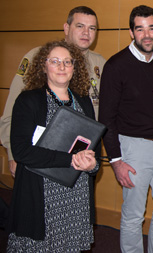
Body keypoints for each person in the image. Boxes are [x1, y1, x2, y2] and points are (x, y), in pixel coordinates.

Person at [98, 5, 153, 253]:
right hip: (132, 148)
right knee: (134, 214)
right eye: (140, 29)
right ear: (132, 32)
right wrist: (116, 160)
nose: (146, 35)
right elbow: (106, 118)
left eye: (151, 28)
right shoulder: (116, 65)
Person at [7, 40, 99, 252]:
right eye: (55, 61)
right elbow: (21, 151)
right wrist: (70, 159)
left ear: (75, 68)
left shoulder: (84, 102)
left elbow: (93, 148)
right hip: (40, 195)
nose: (62, 67)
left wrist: (92, 164)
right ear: (43, 66)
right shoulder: (28, 100)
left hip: (76, 195)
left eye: (68, 62)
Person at [0, 6, 106, 178]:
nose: (86, 32)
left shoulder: (100, 64)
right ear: (66, 28)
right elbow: (12, 108)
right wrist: (12, 153)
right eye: (80, 26)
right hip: (42, 154)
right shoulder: (38, 57)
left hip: (81, 157)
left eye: (92, 28)